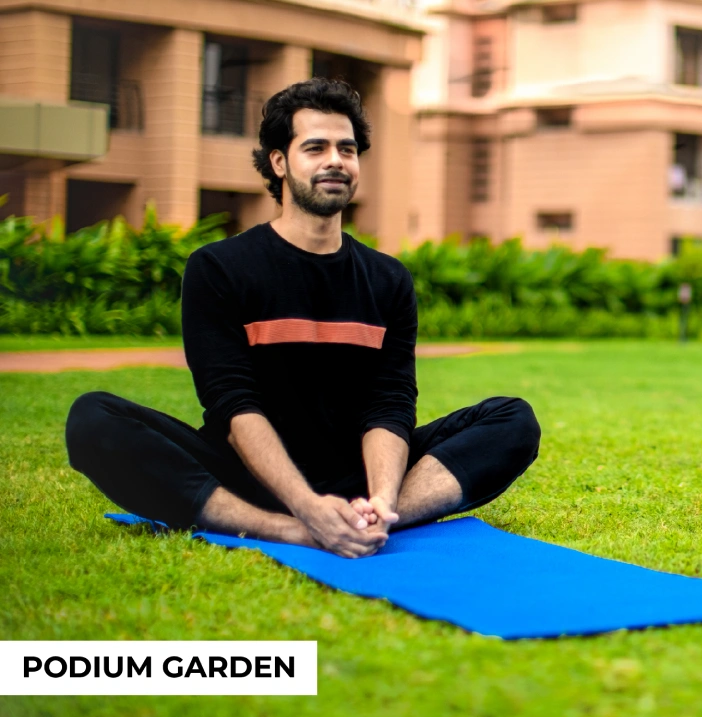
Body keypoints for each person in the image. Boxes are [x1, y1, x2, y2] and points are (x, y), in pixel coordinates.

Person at [65, 78, 541, 558]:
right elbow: (234, 405)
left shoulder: (387, 278)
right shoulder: (219, 268)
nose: (336, 160)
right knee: (93, 418)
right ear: (279, 162)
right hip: (245, 475)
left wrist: (382, 497)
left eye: (347, 149)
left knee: (513, 420)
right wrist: (305, 509)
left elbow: (389, 404)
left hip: (357, 473)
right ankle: (287, 529)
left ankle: (372, 520)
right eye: (315, 148)